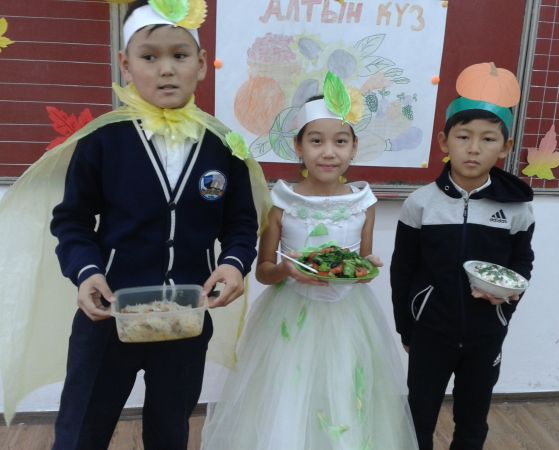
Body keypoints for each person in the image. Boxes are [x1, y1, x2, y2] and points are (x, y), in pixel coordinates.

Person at [44, 1, 269, 448]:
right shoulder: (101, 140)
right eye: (149, 56)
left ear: (201, 64)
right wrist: (86, 272)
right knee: (82, 430)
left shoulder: (225, 146)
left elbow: (241, 222)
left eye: (179, 55)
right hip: (108, 315)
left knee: (170, 429)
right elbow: (72, 220)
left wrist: (234, 263)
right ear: (126, 65)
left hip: (186, 319)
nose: (166, 69)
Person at [201, 72, 418, 450]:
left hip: (349, 317)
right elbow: (264, 271)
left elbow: (361, 264)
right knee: (289, 398)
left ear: (354, 148)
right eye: (316, 141)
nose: (328, 152)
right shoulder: (281, 201)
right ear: (298, 146)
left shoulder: (363, 202)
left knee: (344, 397)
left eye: (340, 141)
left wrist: (365, 268)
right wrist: (287, 269)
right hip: (290, 317)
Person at [390, 62, 535, 450]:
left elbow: (522, 263)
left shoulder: (517, 209)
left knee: (473, 418)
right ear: (444, 141)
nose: (474, 148)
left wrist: (506, 304)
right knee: (419, 415)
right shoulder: (420, 204)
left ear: (505, 147)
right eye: (463, 136)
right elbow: (402, 270)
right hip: (430, 331)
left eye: (488, 139)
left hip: (486, 332)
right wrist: (407, 328)